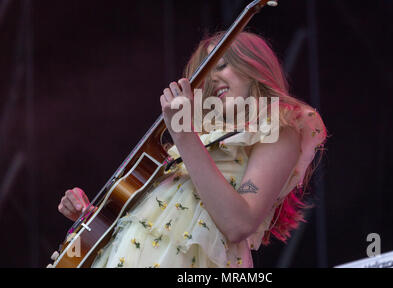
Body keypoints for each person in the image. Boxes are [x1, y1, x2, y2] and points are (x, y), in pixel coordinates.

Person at [57, 31, 327, 268]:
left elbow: (238, 224)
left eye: (222, 66)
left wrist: (184, 135)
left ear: (253, 67)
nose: (214, 79)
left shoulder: (280, 124)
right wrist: (92, 219)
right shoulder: (198, 140)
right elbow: (155, 220)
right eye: (207, 75)